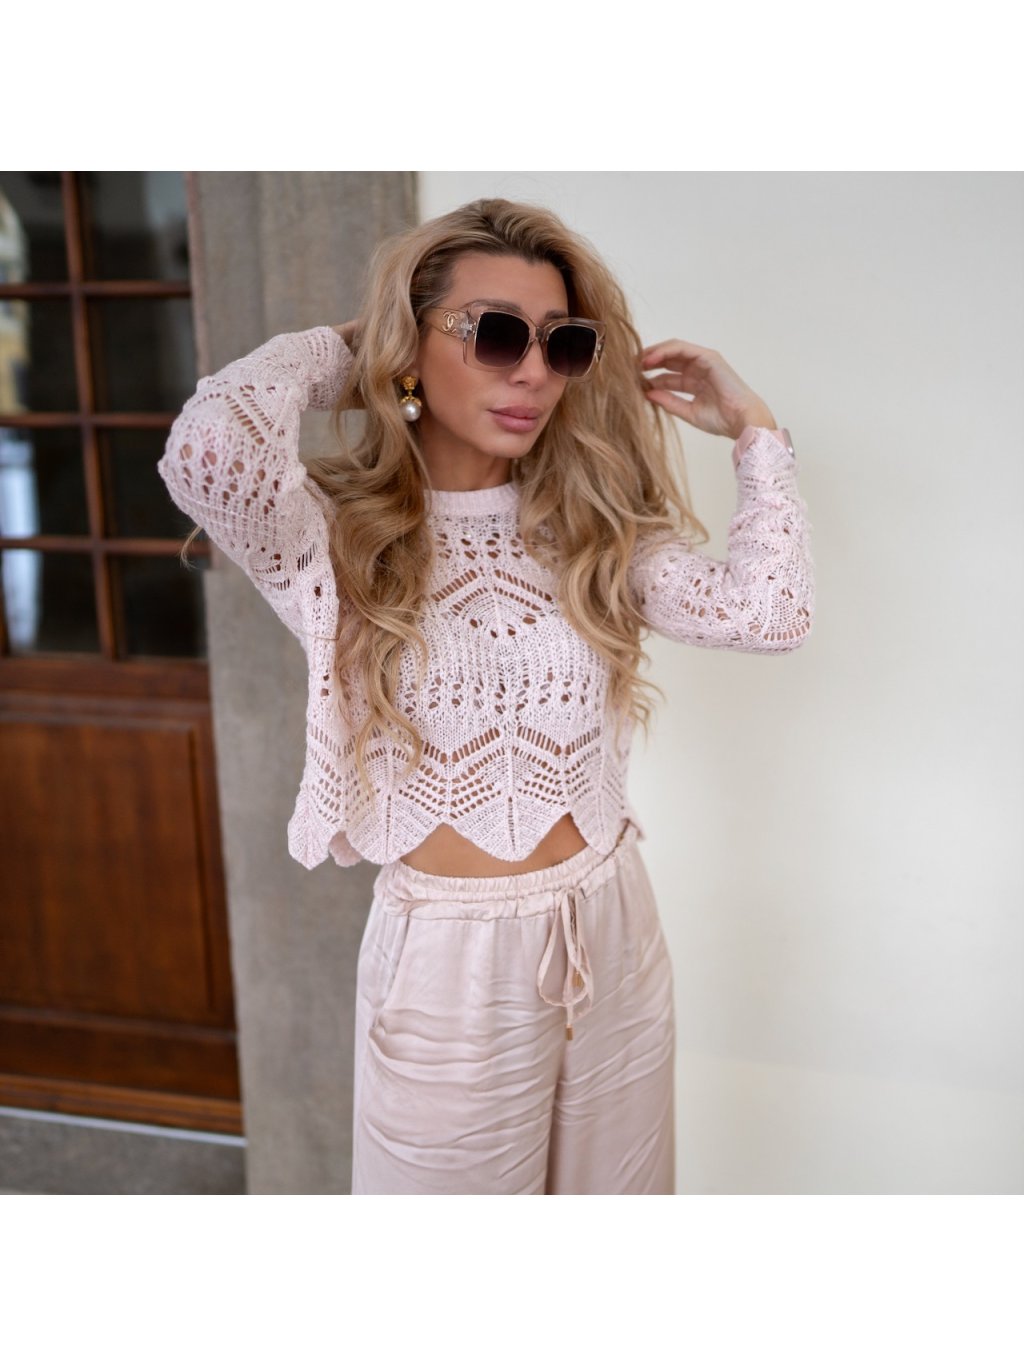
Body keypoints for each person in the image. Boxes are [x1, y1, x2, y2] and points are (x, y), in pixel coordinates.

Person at [158, 196, 814, 1195]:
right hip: (453, 964)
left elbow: (769, 613)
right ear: (411, 343)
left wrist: (753, 430)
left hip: (612, 920)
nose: (533, 372)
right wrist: (352, 347)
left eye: (563, 343)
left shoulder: (590, 528)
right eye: (496, 334)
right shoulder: (338, 537)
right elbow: (210, 449)